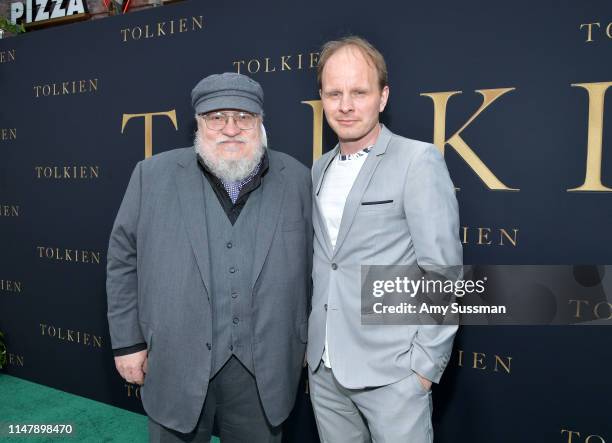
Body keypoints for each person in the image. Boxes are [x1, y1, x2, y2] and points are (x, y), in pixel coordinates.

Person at [107, 72, 312, 443]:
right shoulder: (150, 176)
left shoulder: (297, 179)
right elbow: (122, 260)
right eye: (217, 117)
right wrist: (128, 343)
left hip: (263, 368)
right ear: (199, 123)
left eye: (243, 117)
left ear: (259, 123)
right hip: (174, 359)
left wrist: (309, 339)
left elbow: (318, 268)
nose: (230, 128)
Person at [307, 36, 462, 442]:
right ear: (322, 98)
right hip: (324, 369)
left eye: (359, 92)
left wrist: (424, 369)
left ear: (382, 96)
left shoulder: (417, 161)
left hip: (394, 373)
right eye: (334, 93)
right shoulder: (317, 170)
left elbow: (442, 272)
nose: (345, 105)